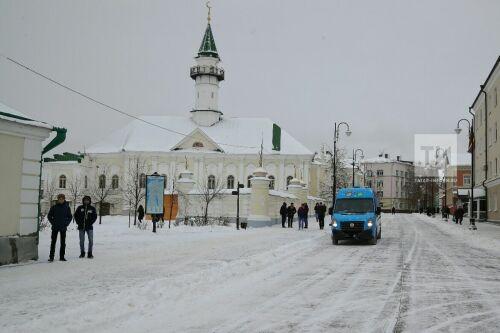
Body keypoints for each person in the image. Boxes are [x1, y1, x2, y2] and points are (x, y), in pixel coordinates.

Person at [47, 194, 72, 262]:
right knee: (53, 242)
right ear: (58, 199)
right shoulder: (54, 207)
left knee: (63, 243)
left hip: (63, 227)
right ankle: (51, 257)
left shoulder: (67, 207)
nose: (61, 200)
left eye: (62, 199)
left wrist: (66, 223)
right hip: (55, 227)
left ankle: (62, 256)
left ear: (64, 199)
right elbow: (49, 216)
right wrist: (53, 222)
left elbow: (70, 217)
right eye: (60, 199)